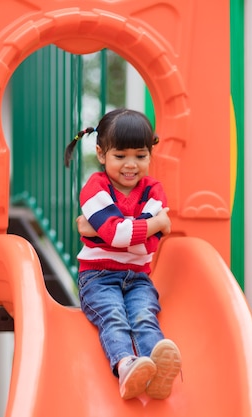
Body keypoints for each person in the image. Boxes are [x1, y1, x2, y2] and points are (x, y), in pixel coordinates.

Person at [64, 108, 182, 400]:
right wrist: (152, 223)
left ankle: (156, 369)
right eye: (120, 156)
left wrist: (101, 228)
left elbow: (144, 245)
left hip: (139, 278)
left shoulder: (154, 190)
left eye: (140, 156)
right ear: (102, 154)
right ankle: (126, 366)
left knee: (144, 315)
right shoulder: (95, 188)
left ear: (150, 155)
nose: (131, 165)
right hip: (98, 277)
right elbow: (119, 236)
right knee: (114, 316)